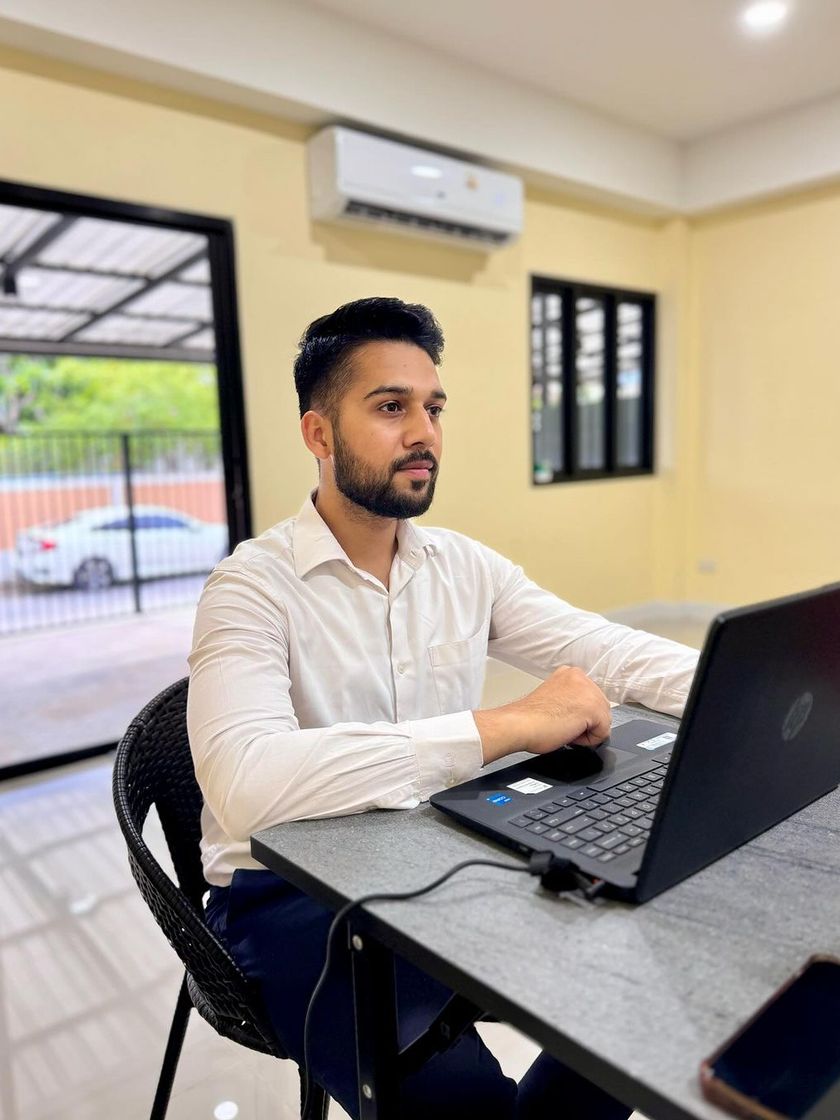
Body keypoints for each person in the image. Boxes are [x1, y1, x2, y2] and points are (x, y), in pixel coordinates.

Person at [189, 297, 699, 1119]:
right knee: (466, 1106)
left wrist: (744, 688)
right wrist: (506, 726)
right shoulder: (249, 586)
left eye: (433, 408)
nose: (423, 432)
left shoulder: (465, 568)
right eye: (391, 407)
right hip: (286, 897)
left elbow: (606, 650)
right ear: (318, 434)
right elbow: (247, 786)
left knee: (650, 993)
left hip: (430, 855)